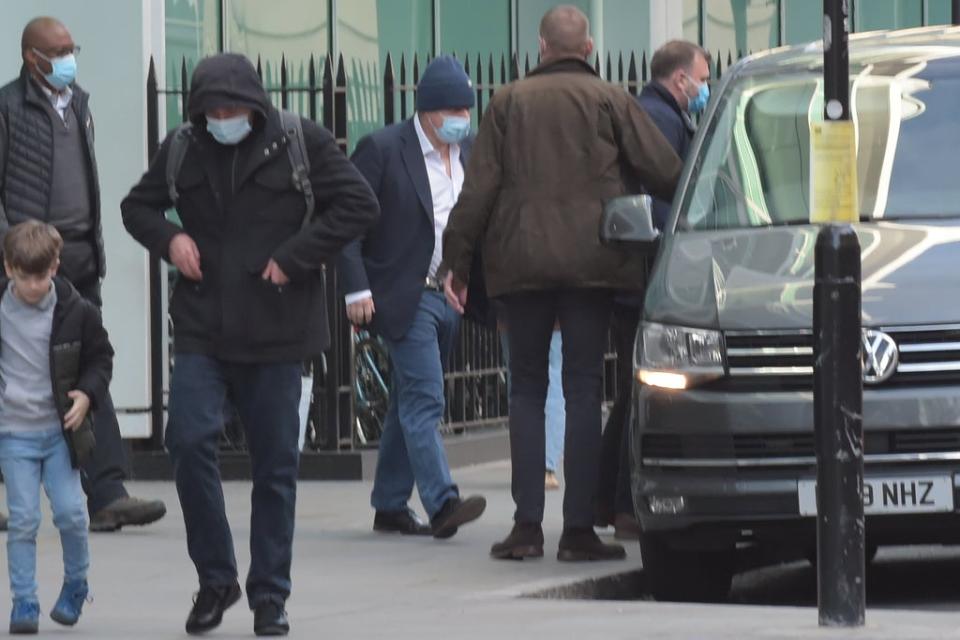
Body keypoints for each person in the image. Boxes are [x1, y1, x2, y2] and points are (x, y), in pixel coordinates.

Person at [121, 53, 379, 636]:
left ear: (256, 108)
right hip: (202, 325)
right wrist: (171, 239)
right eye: (213, 109)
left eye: (234, 108)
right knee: (187, 442)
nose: (224, 117)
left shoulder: (299, 140)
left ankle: (270, 595)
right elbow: (136, 207)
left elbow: (360, 204)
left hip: (278, 329)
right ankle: (217, 579)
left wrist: (295, 257)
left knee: (275, 466)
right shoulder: (184, 145)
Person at [442, 5, 682, 562]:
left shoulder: (506, 102)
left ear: (542, 47)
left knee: (525, 391)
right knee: (582, 390)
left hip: (520, 264)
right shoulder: (612, 99)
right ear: (590, 49)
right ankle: (577, 532)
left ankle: (526, 527)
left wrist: (456, 261)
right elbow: (666, 169)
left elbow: (477, 191)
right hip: (594, 264)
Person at [0, 16, 166, 533]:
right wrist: (13, 256)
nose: (71, 57)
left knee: (90, 364)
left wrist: (92, 250)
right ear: (33, 58)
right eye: (60, 50)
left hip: (76, 260)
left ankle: (108, 492)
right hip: (23, 262)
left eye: (74, 47)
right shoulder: (6, 109)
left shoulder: (80, 105)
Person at [338, 55, 487, 540]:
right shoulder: (382, 149)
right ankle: (442, 501)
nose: (460, 119)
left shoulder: (468, 153)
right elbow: (347, 224)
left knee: (408, 398)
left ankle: (388, 504)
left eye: (466, 110)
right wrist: (356, 288)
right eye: (451, 110)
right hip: (404, 296)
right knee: (425, 398)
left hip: (449, 296)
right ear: (426, 111)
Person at [597, 40, 711, 539]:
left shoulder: (658, 114)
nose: (704, 87)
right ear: (680, 80)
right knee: (640, 398)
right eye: (702, 79)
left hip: (635, 277)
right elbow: (665, 204)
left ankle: (608, 498)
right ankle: (622, 504)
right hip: (644, 280)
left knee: (628, 397)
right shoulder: (659, 121)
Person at [0, 221, 113, 633]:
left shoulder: (75, 310)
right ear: (9, 268)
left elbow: (102, 359)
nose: (34, 285)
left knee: (70, 513)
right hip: (13, 434)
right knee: (24, 518)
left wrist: (86, 394)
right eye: (25, 276)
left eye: (42, 275)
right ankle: (24, 601)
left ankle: (76, 583)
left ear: (56, 266)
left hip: (59, 435)